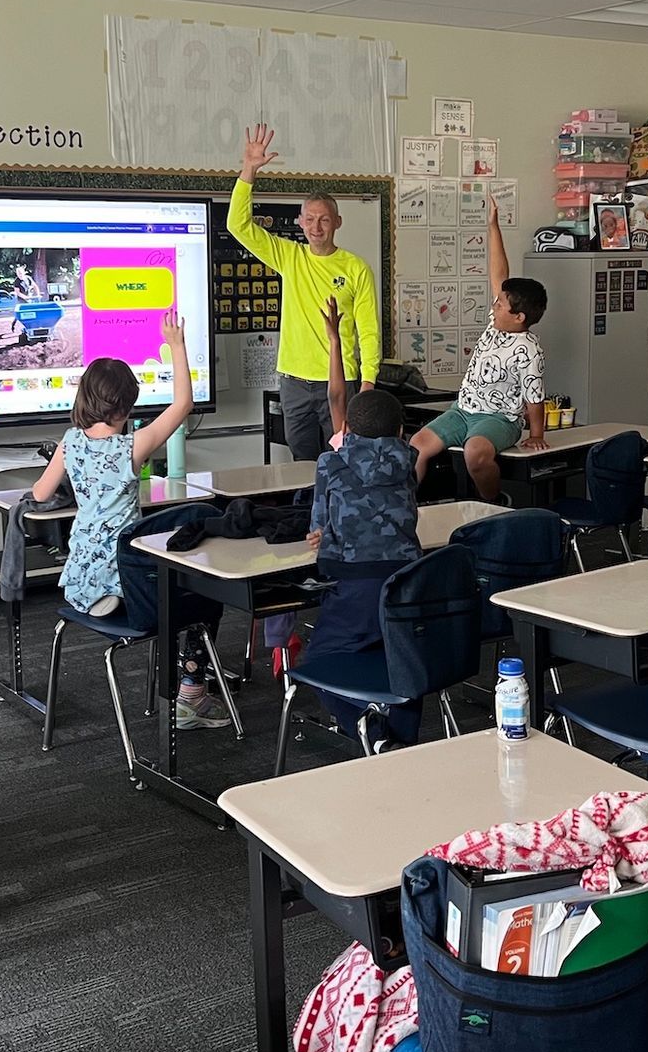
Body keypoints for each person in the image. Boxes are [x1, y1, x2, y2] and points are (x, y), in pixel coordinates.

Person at [28, 312, 227, 730]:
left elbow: (42, 494)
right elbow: (183, 405)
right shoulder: (130, 447)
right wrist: (174, 344)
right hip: (126, 572)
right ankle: (192, 691)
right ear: (127, 405)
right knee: (201, 591)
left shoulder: (70, 442)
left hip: (80, 570)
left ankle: (94, 596)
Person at [231, 124, 382, 462]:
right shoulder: (290, 257)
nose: (316, 227)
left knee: (343, 460)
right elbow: (237, 227)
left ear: (338, 222)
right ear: (299, 222)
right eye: (310, 220)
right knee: (301, 463)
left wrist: (369, 382)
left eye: (324, 220)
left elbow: (369, 330)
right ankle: (307, 516)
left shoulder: (355, 268)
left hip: (341, 381)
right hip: (294, 382)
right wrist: (249, 171)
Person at [301, 383, 422, 750]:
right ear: (401, 432)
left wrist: (322, 532)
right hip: (408, 584)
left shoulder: (331, 462)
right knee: (404, 662)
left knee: (316, 661)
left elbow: (318, 524)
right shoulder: (408, 461)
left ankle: (366, 726)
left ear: (347, 431)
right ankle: (401, 740)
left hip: (355, 584)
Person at [409, 196, 546, 500]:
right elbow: (499, 274)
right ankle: (404, 509)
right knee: (416, 446)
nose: (494, 305)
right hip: (463, 410)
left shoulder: (528, 349)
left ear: (519, 317)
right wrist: (492, 226)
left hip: (499, 420)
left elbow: (534, 398)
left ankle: (493, 504)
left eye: (501, 304)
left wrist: (536, 435)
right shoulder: (497, 321)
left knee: (475, 453)